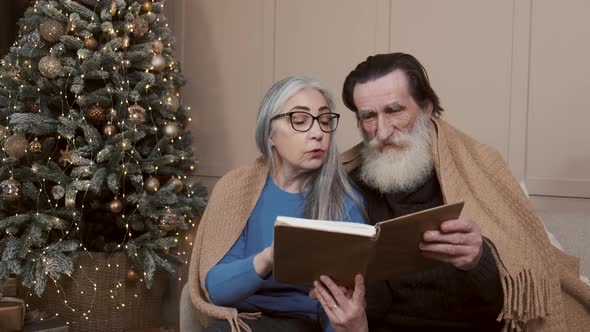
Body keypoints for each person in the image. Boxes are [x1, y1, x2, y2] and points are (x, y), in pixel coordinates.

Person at [311, 53, 590, 331]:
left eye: (395, 110)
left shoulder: (480, 170)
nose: (382, 132)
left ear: (427, 108)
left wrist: (478, 260)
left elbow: (521, 301)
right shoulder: (347, 183)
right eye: (368, 117)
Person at [188, 76, 366, 332]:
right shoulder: (237, 190)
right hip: (239, 320)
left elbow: (338, 306)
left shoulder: (344, 202)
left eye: (325, 121)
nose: (318, 133)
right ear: (269, 133)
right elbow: (216, 291)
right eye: (300, 121)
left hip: (305, 323)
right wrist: (271, 257)